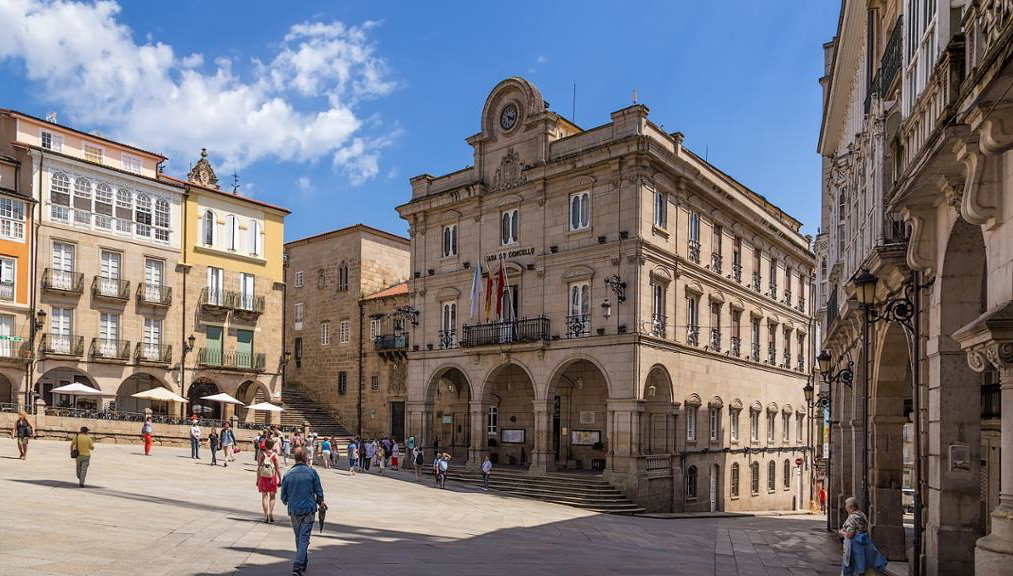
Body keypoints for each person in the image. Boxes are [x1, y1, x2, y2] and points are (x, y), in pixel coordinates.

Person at [280, 447, 325, 576]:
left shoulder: (288, 474)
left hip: (294, 510)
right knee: (303, 537)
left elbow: (283, 496)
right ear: (305, 458)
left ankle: (302, 561)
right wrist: (320, 501)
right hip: (309, 509)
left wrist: (288, 500)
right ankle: (298, 565)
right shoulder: (312, 472)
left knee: (299, 537)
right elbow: (319, 491)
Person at [838, 496, 887, 575]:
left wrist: (841, 532)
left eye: (846, 505)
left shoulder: (852, 517)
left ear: (851, 506)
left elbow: (850, 535)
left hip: (853, 547)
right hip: (863, 545)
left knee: (850, 567)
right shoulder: (862, 514)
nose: (845, 507)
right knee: (863, 566)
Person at [257, 440, 282, 523]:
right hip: (272, 478)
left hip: (263, 477)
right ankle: (271, 513)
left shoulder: (262, 455)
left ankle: (265, 515)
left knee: (264, 496)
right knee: (272, 496)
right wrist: (280, 479)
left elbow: (259, 468)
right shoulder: (275, 456)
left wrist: (257, 479)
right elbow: (278, 469)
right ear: (273, 445)